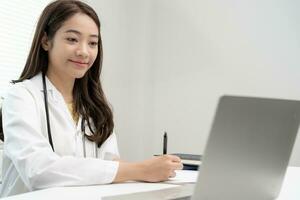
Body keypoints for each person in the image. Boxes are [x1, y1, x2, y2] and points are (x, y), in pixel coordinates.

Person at [0, 0, 182, 197]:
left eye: (93, 43)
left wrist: (156, 169)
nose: (84, 51)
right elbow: (39, 171)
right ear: (46, 41)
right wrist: (141, 170)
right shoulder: (21, 97)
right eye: (72, 39)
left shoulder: (94, 106)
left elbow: (110, 165)